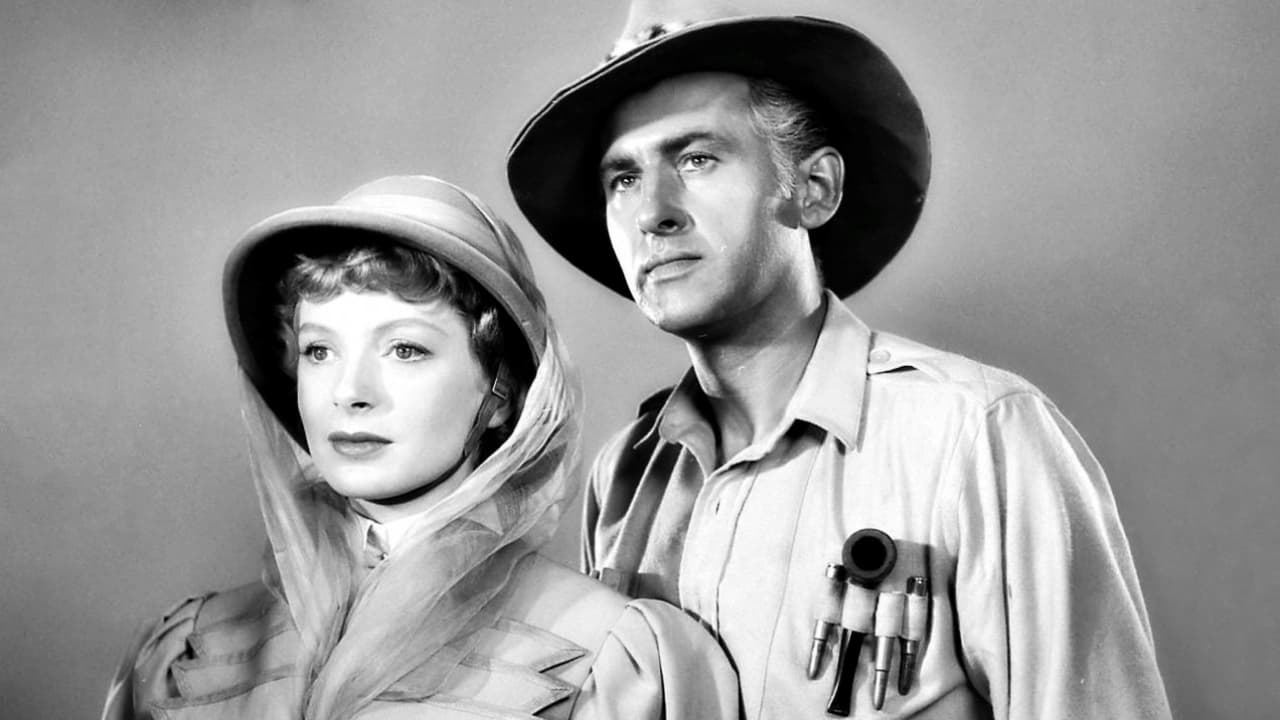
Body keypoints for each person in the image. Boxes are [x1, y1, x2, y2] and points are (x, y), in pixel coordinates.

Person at [506, 2, 1172, 719]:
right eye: (623, 179)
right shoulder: (625, 476)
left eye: (697, 159)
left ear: (814, 189)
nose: (652, 212)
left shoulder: (976, 436)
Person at [100, 175, 739, 719]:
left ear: (502, 391)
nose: (350, 392)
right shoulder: (187, 649)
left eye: (405, 349)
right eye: (319, 350)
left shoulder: (613, 657)